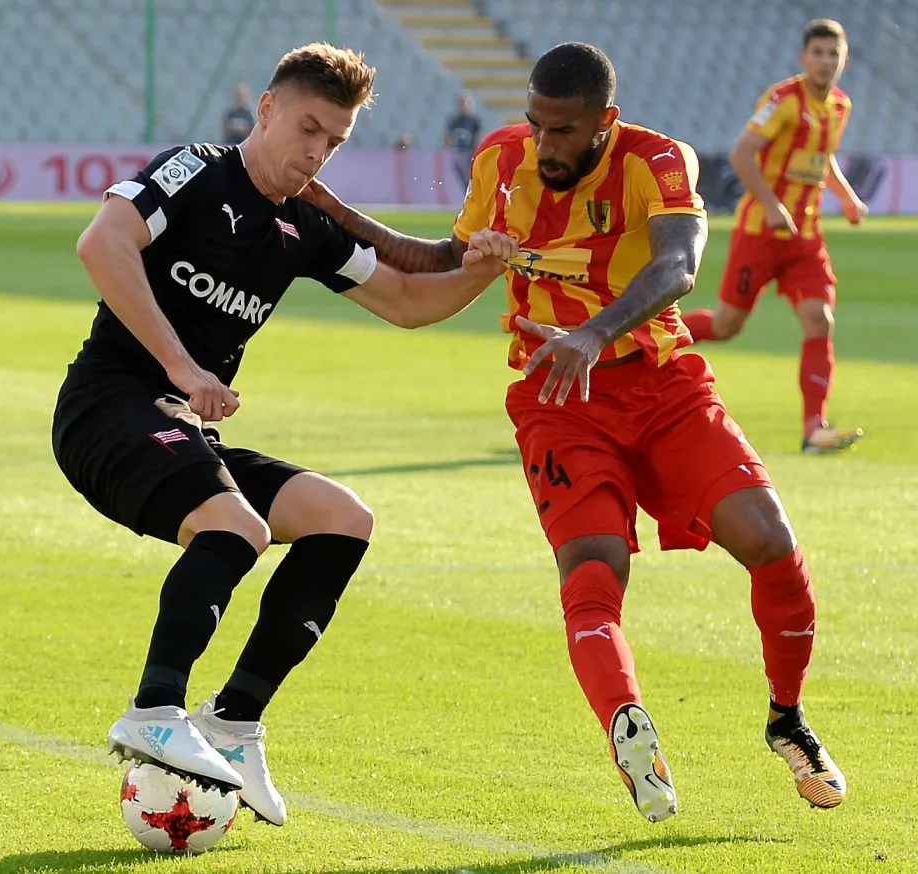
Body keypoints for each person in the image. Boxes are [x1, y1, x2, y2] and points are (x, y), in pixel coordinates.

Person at [301, 42, 846, 822]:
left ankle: (786, 719)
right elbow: (436, 260)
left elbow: (679, 267)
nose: (543, 144)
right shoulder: (502, 160)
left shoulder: (657, 161)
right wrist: (336, 211)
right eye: (535, 125)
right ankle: (630, 729)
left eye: (562, 131)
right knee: (595, 569)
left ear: (604, 124)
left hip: (664, 386)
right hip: (558, 397)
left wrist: (593, 332)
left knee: (771, 541)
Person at [53, 43, 513, 827]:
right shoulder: (195, 171)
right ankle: (153, 709)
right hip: (109, 408)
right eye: (307, 129)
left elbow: (404, 299)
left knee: (342, 519)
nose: (316, 152)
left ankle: (231, 723)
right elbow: (102, 243)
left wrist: (481, 270)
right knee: (239, 525)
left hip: (174, 424)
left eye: (334, 140)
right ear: (265, 109)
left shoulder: (304, 224)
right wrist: (184, 367)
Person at [682, 20, 867, 455]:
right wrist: (768, 203)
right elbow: (741, 153)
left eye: (832, 54)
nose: (825, 61)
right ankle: (646, 332)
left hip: (805, 237)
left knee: (819, 319)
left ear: (843, 60)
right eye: (817, 53)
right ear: (804, 59)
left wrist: (848, 197)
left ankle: (814, 428)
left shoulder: (840, 106)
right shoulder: (782, 100)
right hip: (761, 233)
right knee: (726, 325)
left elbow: (824, 161)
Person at [443, 92, 482, 188]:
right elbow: (447, 136)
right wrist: (446, 149)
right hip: (457, 151)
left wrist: (477, 151)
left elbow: (477, 136)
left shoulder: (474, 121)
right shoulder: (454, 120)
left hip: (469, 151)